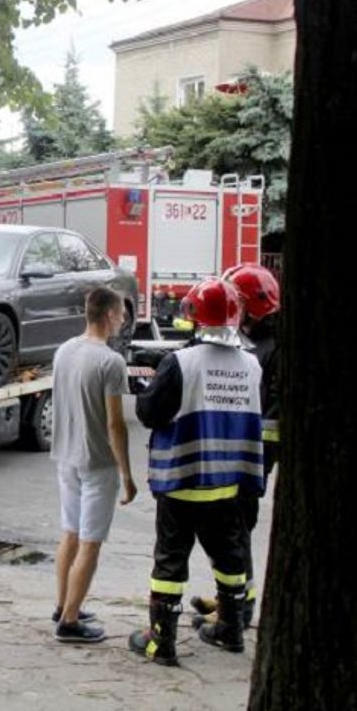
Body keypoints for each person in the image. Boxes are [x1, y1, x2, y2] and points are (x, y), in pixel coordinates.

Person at [128, 277, 264, 667]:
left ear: (194, 316)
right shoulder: (251, 365)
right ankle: (231, 631)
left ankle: (161, 642)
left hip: (182, 482)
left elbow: (148, 413)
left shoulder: (181, 362)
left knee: (170, 561)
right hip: (228, 486)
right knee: (230, 560)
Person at [191, 264, 281, 631]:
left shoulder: (265, 349)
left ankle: (238, 609)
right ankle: (234, 597)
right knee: (232, 526)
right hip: (247, 451)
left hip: (250, 454)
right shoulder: (260, 341)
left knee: (233, 526)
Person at [50, 287, 137, 643]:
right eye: (121, 314)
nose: (123, 320)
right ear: (108, 315)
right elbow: (115, 424)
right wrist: (127, 475)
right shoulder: (110, 362)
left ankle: (63, 604)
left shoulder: (64, 351)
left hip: (65, 456)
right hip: (97, 462)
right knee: (90, 542)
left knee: (70, 534)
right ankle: (70, 622)